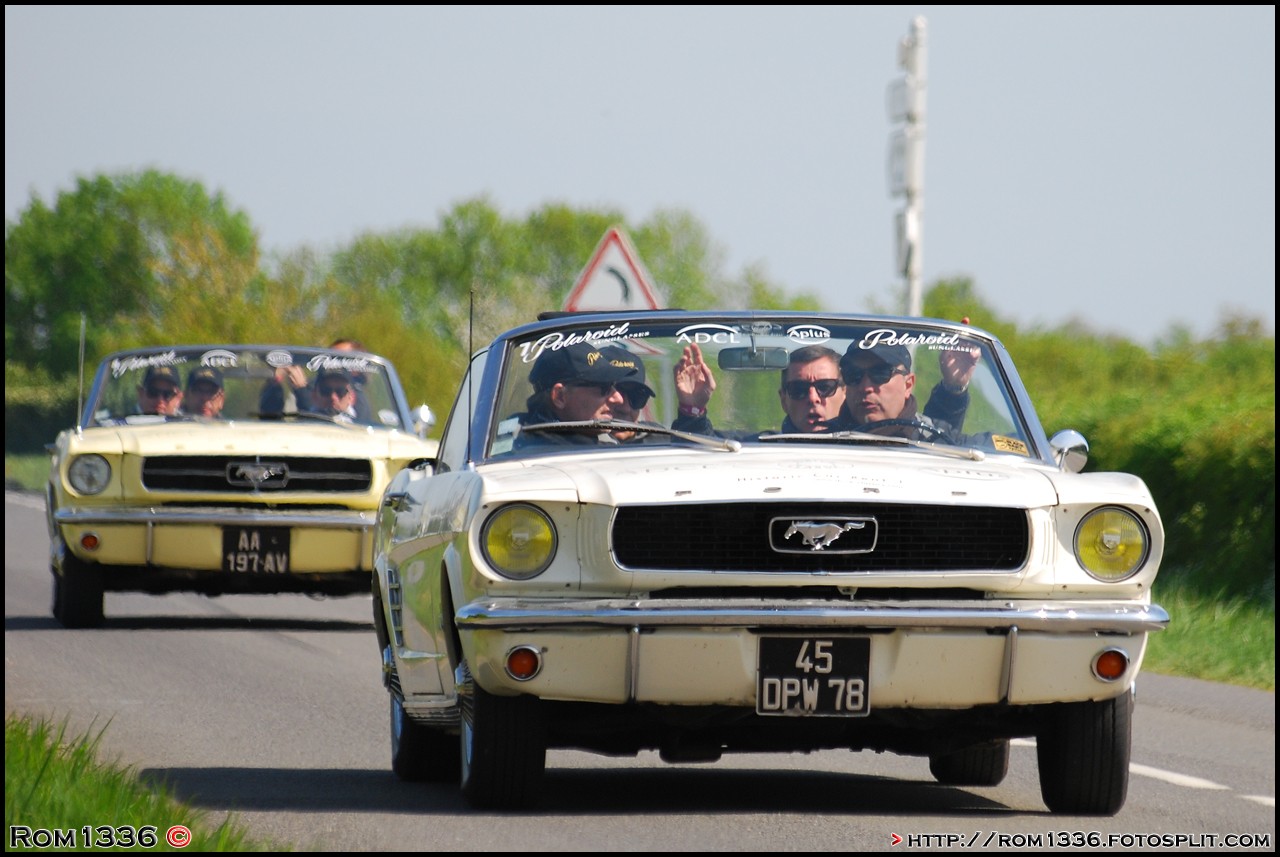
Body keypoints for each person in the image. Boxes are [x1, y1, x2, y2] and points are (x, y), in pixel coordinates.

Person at [834, 339, 979, 440]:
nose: (865, 387)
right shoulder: (820, 440)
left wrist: (953, 387)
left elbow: (993, 451)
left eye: (880, 373)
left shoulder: (936, 441)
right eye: (853, 374)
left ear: (908, 385)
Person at [512, 342, 643, 448]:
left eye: (614, 386)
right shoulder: (521, 450)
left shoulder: (604, 444)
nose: (618, 399)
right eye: (604, 388)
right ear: (560, 396)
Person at [599, 344, 658, 441]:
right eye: (612, 393)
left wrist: (687, 410)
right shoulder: (571, 448)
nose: (625, 408)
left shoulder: (660, 440)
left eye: (636, 397)